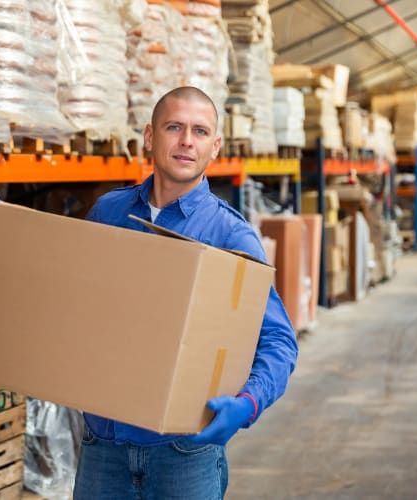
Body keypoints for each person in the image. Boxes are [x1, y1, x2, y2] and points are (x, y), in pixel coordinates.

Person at [73, 86, 298, 499]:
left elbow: (278, 340)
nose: (186, 141)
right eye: (174, 127)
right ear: (149, 136)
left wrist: (248, 403)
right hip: (103, 445)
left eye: (200, 131)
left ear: (215, 147)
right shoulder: (109, 214)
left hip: (183, 452)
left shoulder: (229, 236)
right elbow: (75, 305)